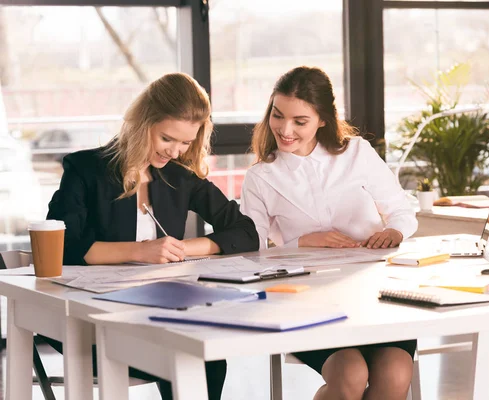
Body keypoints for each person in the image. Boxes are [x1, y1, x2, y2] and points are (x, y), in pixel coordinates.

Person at [47, 72, 259, 400]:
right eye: (166, 139)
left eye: (186, 143)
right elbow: (62, 246)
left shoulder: (178, 177)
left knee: (206, 356)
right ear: (143, 123)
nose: (175, 151)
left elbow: (245, 232)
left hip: (160, 314)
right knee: (191, 355)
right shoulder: (85, 169)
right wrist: (140, 251)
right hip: (93, 319)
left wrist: (182, 249)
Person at [240, 66, 418, 400]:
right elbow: (250, 253)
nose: (285, 129)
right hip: (307, 302)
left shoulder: (357, 153)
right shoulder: (261, 177)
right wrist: (301, 243)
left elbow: (402, 210)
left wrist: (394, 230)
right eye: (278, 116)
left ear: (323, 119)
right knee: (350, 372)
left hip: (375, 294)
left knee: (395, 371)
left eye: (299, 121)